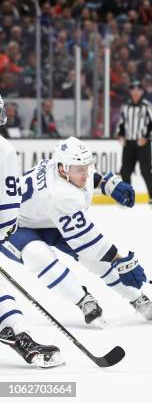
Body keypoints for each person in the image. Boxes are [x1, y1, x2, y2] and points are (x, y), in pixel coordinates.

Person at [0, 136, 152, 329]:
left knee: (94, 258)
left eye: (86, 167)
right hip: (12, 225)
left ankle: (137, 298)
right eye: (80, 171)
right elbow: (90, 243)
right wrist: (119, 260)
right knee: (37, 255)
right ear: (62, 169)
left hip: (46, 218)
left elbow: (85, 172)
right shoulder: (61, 195)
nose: (85, 174)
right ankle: (83, 300)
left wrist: (106, 184)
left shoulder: (61, 165)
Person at [0, 95, 64, 368]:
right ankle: (16, 331)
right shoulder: (3, 149)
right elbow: (7, 203)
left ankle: (14, 330)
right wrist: (5, 229)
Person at [116, 79, 152, 207]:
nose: (135, 92)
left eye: (138, 90)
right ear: (130, 92)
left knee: (146, 171)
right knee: (125, 171)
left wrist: (146, 138)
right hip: (129, 143)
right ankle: (126, 197)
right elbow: (121, 124)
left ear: (141, 92)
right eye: (133, 90)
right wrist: (121, 136)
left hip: (143, 144)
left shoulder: (147, 106)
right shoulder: (126, 107)